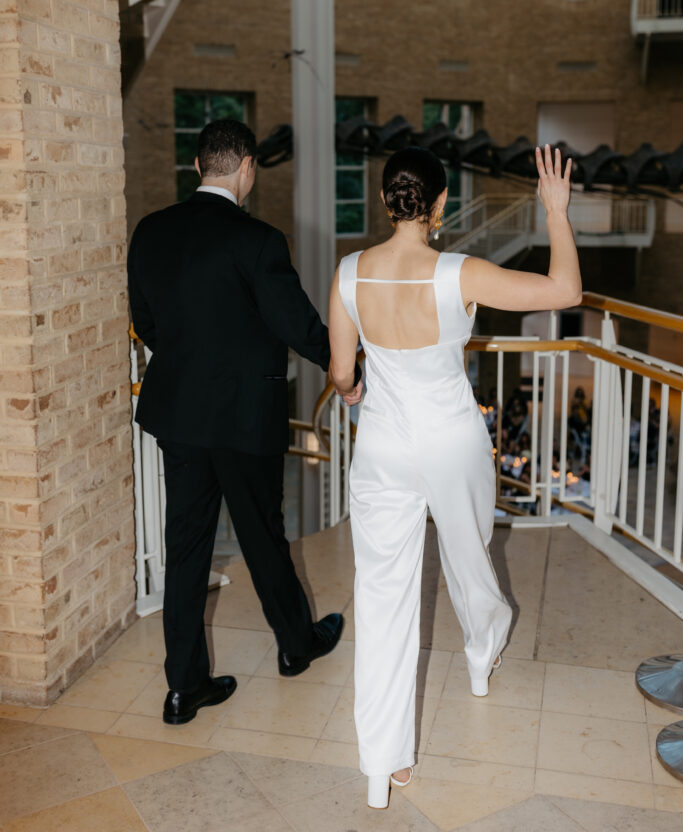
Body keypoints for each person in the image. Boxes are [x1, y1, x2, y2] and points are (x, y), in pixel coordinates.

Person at [328, 143, 581, 809]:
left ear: (386, 201)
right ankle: (480, 652)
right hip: (450, 441)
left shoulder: (349, 272)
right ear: (439, 204)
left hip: (381, 446)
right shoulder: (458, 272)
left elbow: (339, 373)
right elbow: (564, 292)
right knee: (469, 558)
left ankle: (382, 768)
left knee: (381, 600)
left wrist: (352, 395)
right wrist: (553, 210)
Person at [128, 118, 359, 725]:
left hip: (178, 414)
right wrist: (348, 368)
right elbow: (298, 324)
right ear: (247, 167)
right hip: (243, 418)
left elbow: (147, 323)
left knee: (187, 549)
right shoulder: (258, 240)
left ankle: (183, 690)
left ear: (200, 166)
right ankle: (294, 645)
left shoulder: (150, 232)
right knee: (261, 535)